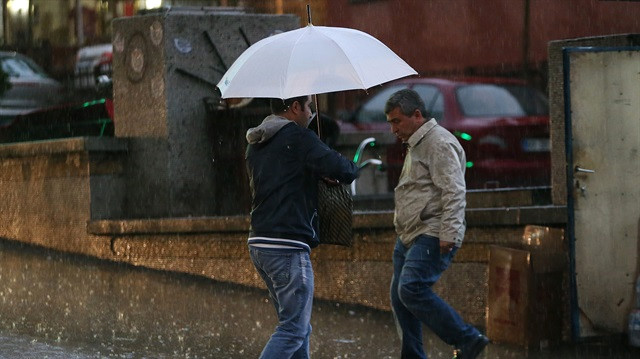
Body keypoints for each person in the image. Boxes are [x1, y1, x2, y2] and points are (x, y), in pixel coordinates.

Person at [245, 95, 358, 359]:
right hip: (287, 246)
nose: (310, 114)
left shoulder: (256, 141)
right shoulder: (298, 137)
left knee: (298, 326)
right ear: (295, 107)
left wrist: (313, 170)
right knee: (293, 329)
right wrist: (332, 165)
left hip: (260, 242)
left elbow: (281, 177)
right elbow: (345, 170)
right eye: (308, 107)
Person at [385, 89, 489, 359]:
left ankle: (467, 339)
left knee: (410, 288)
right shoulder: (416, 141)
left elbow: (454, 191)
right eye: (390, 122)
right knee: (400, 297)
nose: (392, 128)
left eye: (396, 121)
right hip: (409, 233)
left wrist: (449, 233)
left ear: (417, 115)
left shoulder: (438, 143)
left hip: (432, 230)